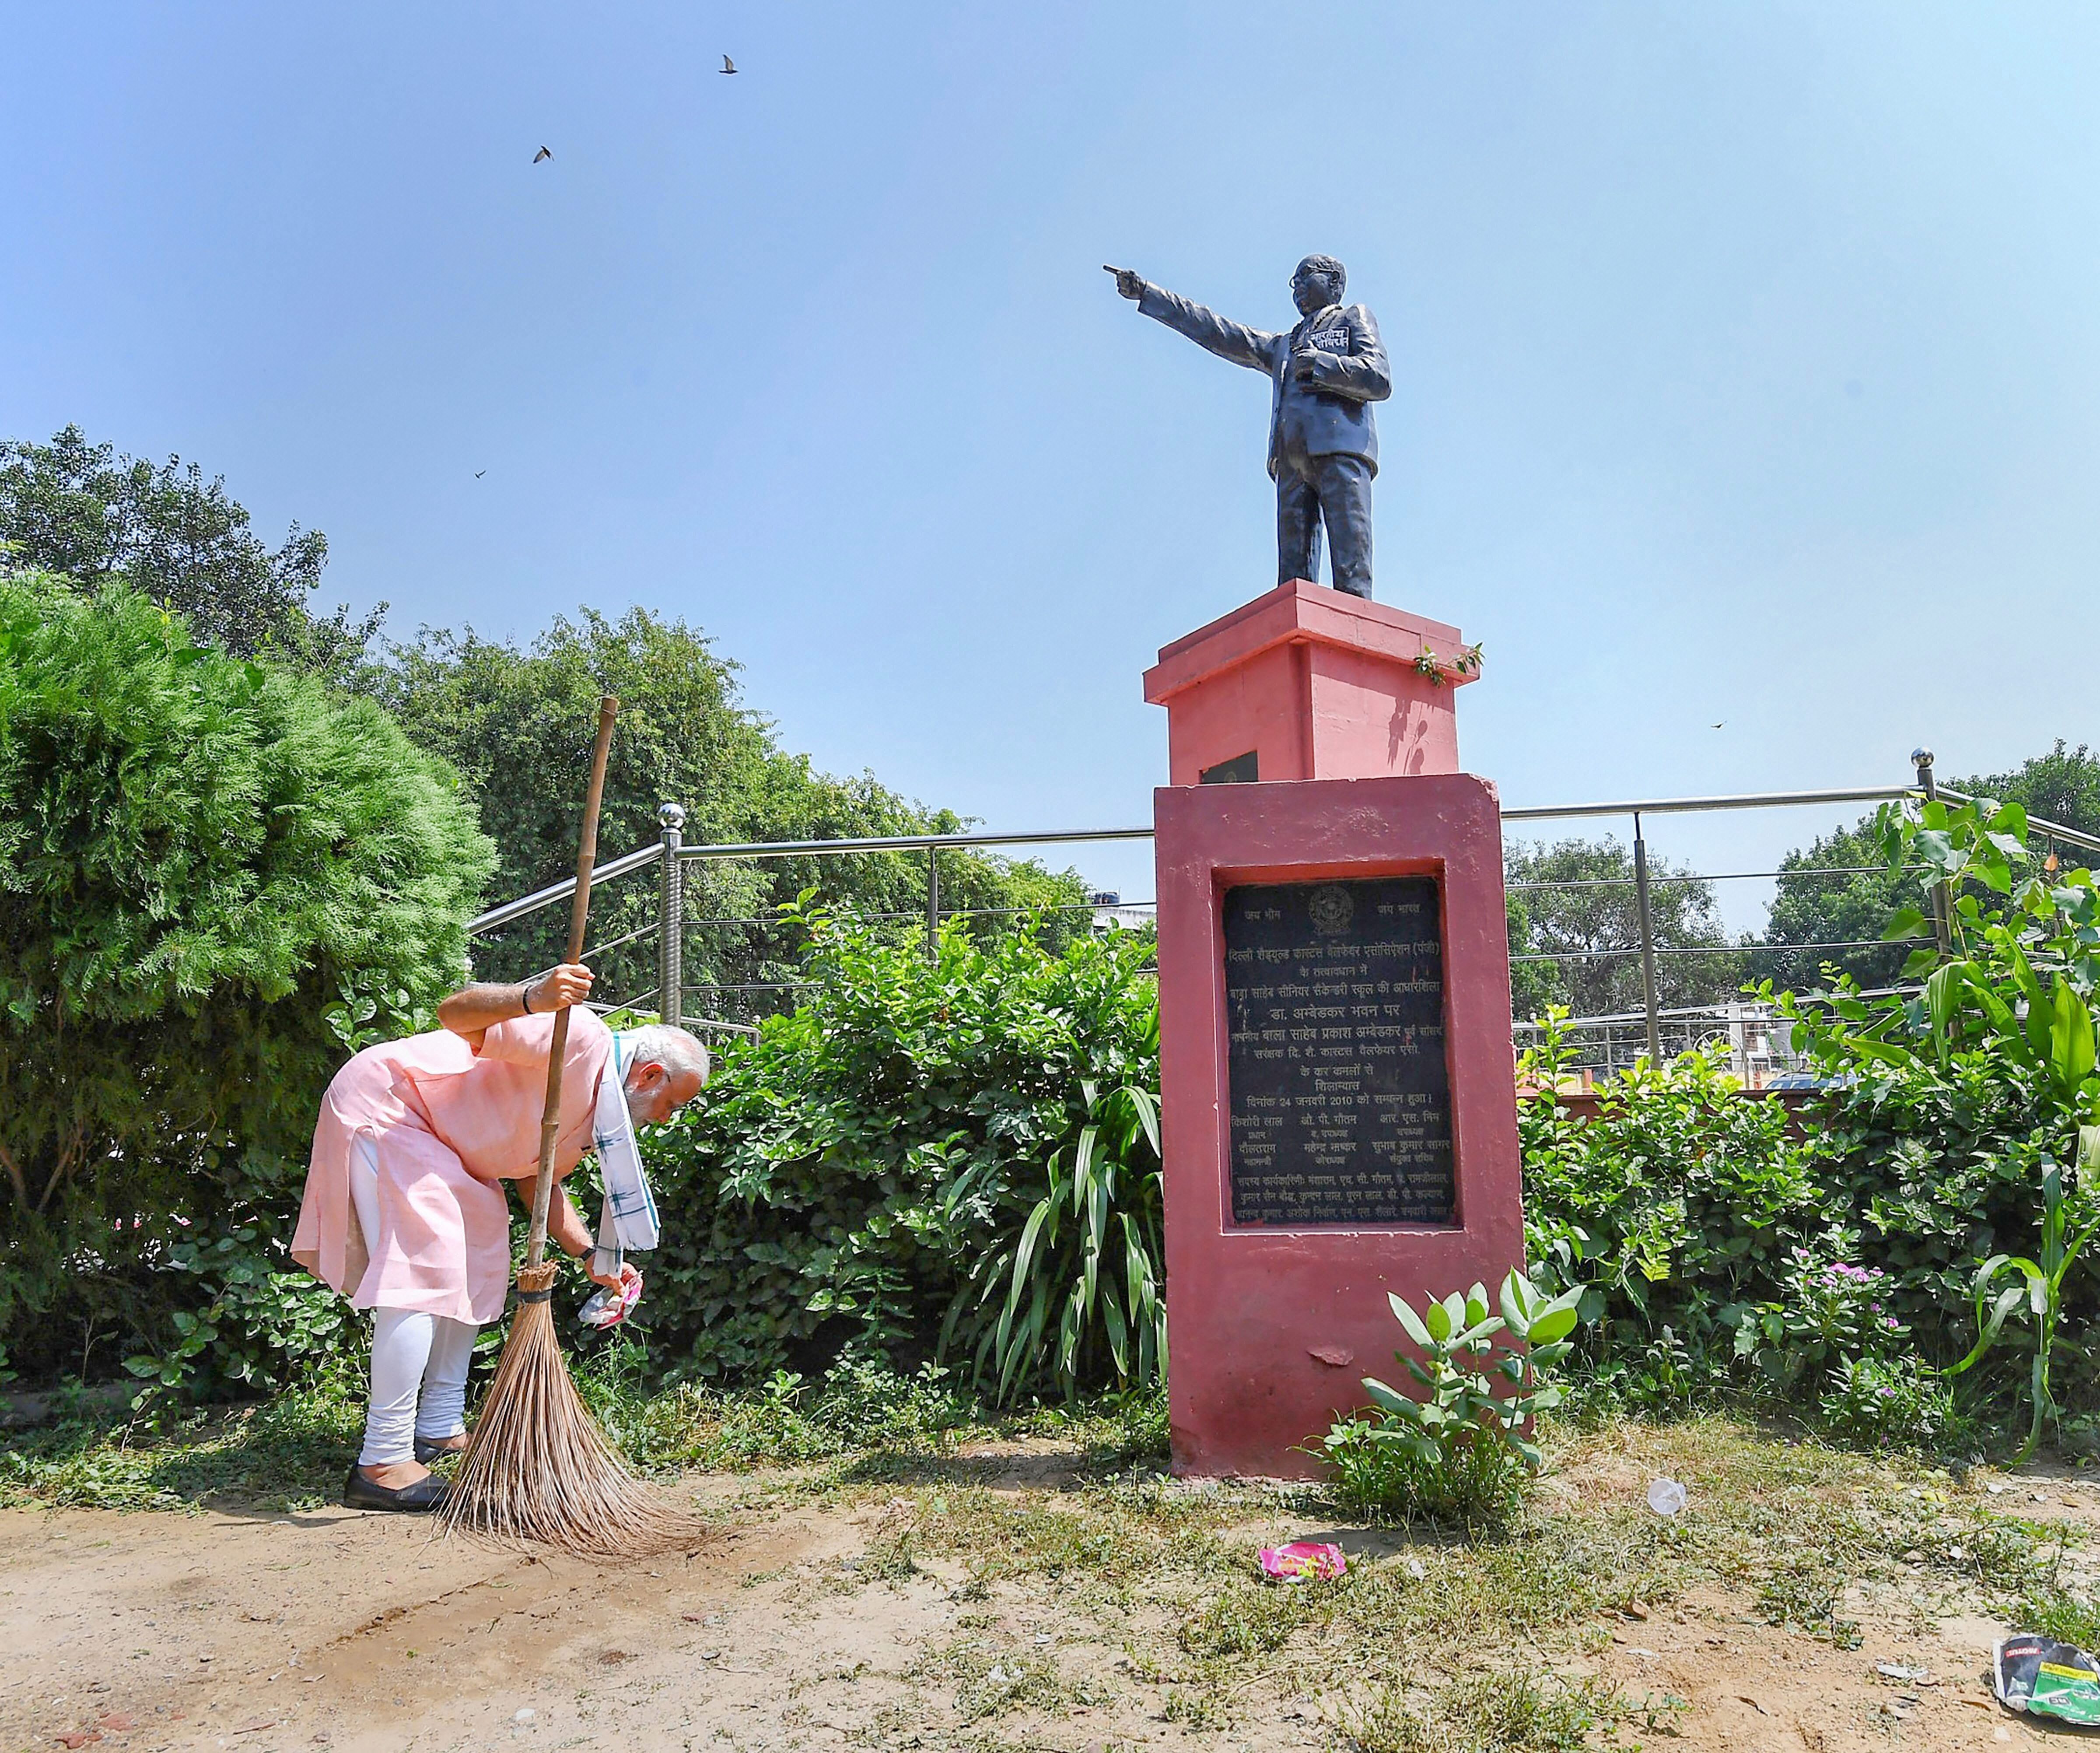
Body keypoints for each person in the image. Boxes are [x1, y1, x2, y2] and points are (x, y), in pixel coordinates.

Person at [290, 963, 709, 1511]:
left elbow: (539, 1181)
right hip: (394, 1108)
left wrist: (591, 1255)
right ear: (650, 1075)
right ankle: (382, 1460)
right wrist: (532, 997)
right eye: (671, 1104)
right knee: (424, 1268)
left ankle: (437, 1426)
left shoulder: (598, 1115)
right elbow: (455, 1013)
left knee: (484, 1250)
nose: (666, 1118)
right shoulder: (579, 1037)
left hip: (448, 1146)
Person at [1111, 255, 1391, 600]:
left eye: (1306, 277)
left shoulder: (1353, 317)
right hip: (1290, 458)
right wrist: (1148, 294)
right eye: (1294, 282)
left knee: (1351, 573)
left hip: (1340, 448)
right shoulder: (1282, 346)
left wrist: (1321, 364)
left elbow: (1378, 378)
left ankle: (1356, 643)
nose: (1298, 287)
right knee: (1293, 585)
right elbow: (1219, 332)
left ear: (1334, 282)